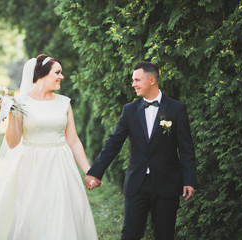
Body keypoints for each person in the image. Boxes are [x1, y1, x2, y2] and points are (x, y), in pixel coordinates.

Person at [0, 54, 98, 240]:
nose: (62, 76)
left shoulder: (64, 103)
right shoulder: (21, 103)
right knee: (32, 213)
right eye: (57, 72)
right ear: (42, 75)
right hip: (31, 166)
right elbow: (12, 142)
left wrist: (89, 172)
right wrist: (10, 113)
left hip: (60, 165)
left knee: (61, 212)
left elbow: (73, 140)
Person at [84, 61, 196, 240]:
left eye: (137, 80)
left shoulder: (176, 109)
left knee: (165, 235)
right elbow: (114, 143)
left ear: (152, 80)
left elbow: (186, 148)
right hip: (137, 183)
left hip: (167, 184)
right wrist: (95, 172)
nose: (133, 84)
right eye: (133, 80)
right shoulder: (129, 110)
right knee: (129, 235)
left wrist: (189, 180)